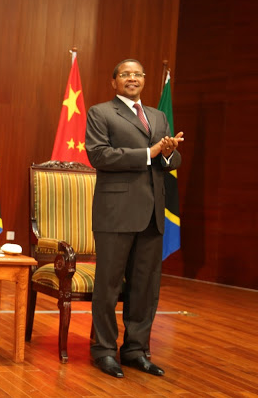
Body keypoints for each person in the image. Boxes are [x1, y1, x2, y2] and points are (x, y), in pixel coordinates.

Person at [85, 59, 183, 378]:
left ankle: (135, 350)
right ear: (114, 82)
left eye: (138, 74)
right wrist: (147, 154)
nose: (132, 78)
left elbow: (171, 161)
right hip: (115, 213)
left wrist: (167, 152)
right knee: (108, 286)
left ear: (144, 80)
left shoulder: (158, 116)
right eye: (125, 74)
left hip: (152, 213)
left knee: (145, 287)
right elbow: (99, 155)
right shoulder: (101, 112)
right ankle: (104, 351)